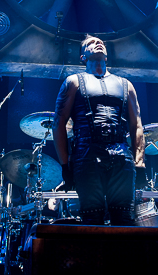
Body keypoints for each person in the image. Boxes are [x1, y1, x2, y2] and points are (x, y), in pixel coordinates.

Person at [52, 35, 146, 225]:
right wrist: (65, 165)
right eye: (91, 43)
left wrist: (140, 163)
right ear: (82, 57)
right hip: (86, 155)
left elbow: (137, 125)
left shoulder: (126, 85)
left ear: (107, 56)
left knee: (124, 220)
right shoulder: (73, 82)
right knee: (92, 219)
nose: (98, 43)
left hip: (121, 156)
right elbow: (58, 123)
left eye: (100, 42)